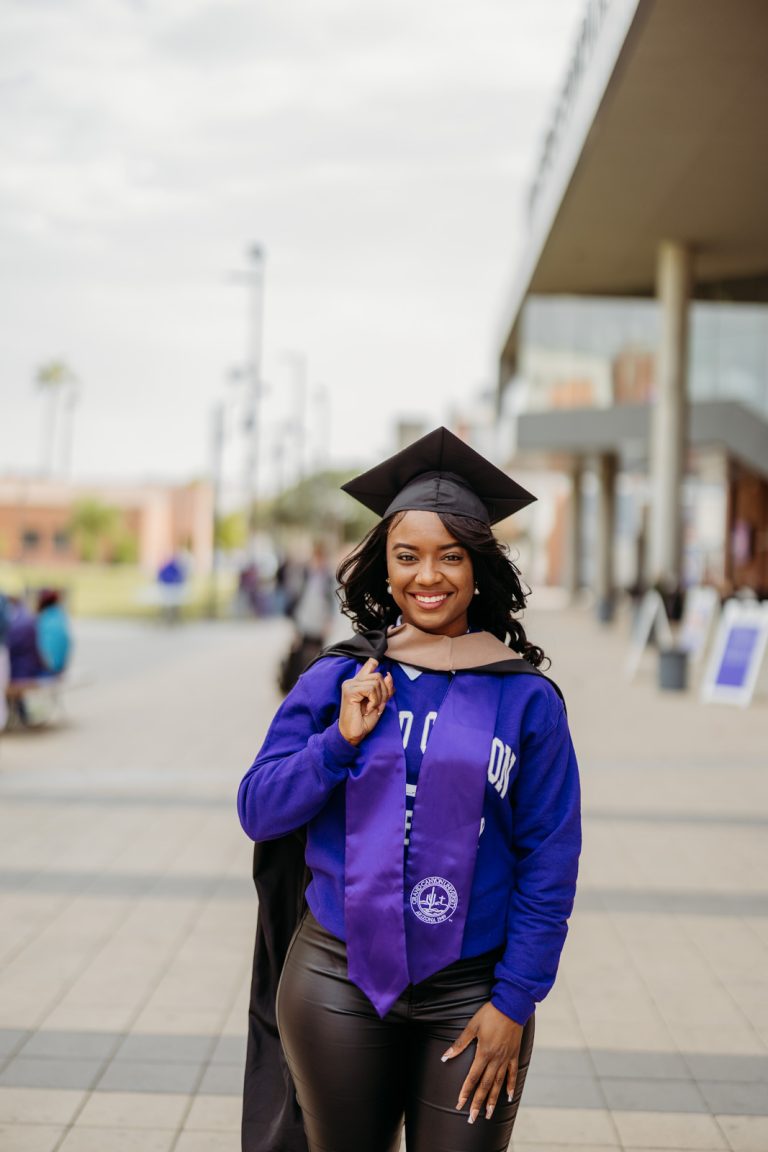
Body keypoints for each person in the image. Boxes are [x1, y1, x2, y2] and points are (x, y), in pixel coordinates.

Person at [238, 427, 581, 1152]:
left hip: (473, 990)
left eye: (451, 556)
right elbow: (259, 808)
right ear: (385, 570)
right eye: (408, 557)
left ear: (478, 568)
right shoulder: (338, 678)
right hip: (338, 978)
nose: (430, 575)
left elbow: (549, 858)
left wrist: (514, 999)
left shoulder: (526, 702)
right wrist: (337, 744)